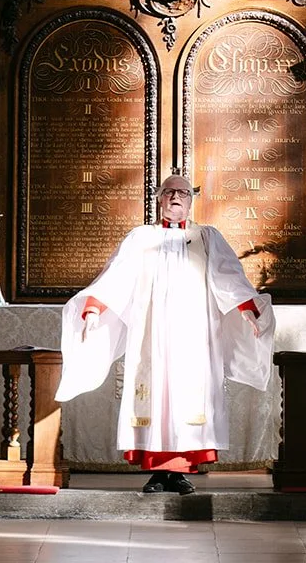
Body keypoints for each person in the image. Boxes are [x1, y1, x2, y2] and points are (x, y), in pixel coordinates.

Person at [56, 171, 274, 493]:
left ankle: (181, 473)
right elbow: (117, 277)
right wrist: (93, 310)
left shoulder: (207, 237)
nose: (176, 197)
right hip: (151, 335)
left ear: (191, 201)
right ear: (158, 199)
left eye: (183, 193)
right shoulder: (140, 238)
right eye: (169, 192)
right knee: (155, 398)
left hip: (195, 337)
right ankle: (158, 474)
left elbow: (229, 278)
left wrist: (247, 310)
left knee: (189, 400)